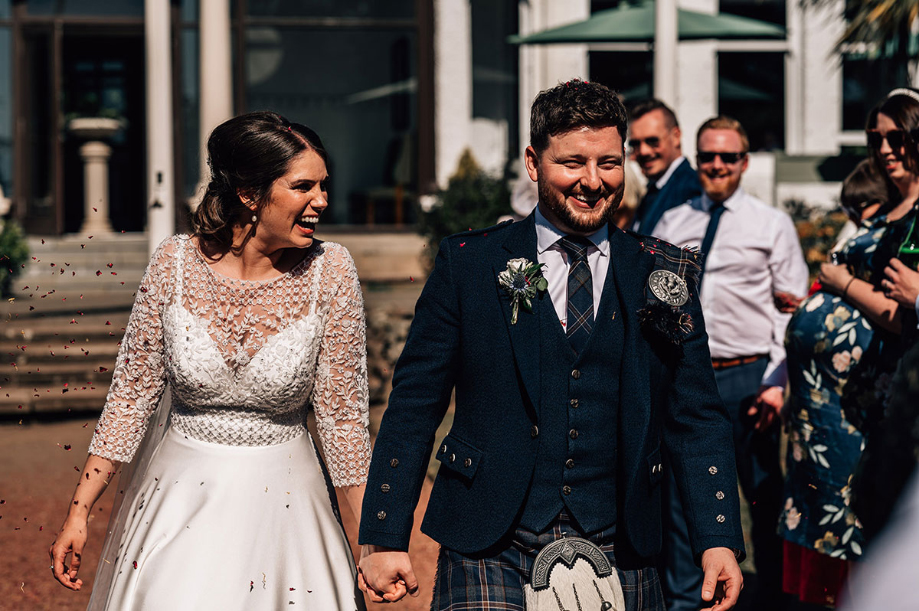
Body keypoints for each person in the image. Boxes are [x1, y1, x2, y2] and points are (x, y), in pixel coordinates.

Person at [357, 79, 745, 611]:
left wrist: (717, 535)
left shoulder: (660, 270)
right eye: (573, 163)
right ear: (534, 163)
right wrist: (385, 534)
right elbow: (414, 405)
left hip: (622, 541)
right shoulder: (470, 263)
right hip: (487, 537)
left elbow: (696, 415)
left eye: (609, 163)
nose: (592, 181)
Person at [49, 111, 370, 610]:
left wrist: (372, 544)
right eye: (304, 186)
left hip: (287, 509)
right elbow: (131, 399)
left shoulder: (332, 271)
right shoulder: (173, 263)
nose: (322, 201)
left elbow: (343, 420)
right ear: (250, 194)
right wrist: (79, 512)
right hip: (178, 501)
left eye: (324, 186)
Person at [653, 116, 809, 611]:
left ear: (744, 161)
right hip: (687, 377)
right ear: (697, 160)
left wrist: (777, 383)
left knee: (762, 495)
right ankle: (684, 598)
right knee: (680, 494)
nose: (716, 165)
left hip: (750, 377)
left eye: (727, 156)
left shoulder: (771, 223)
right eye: (708, 156)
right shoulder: (673, 222)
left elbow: (793, 310)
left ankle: (771, 597)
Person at [770, 159, 894, 609]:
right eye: (851, 207)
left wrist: (838, 284)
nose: (859, 217)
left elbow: (894, 315)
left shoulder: (891, 245)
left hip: (852, 427)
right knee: (818, 540)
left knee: (852, 540)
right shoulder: (857, 241)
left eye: (868, 206)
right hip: (814, 423)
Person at [628, 99, 702, 236]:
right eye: (636, 144)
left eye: (652, 141)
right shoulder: (655, 188)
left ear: (676, 136)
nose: (643, 151)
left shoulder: (692, 189)